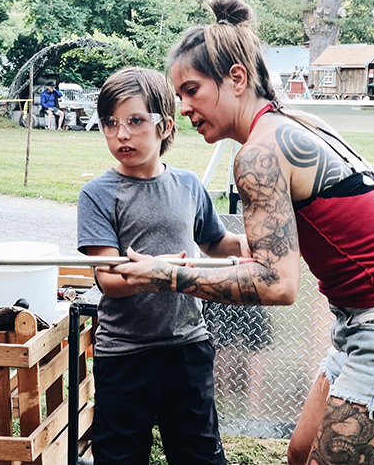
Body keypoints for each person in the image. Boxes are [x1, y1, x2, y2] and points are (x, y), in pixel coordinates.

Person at [108, 0, 374, 465]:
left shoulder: (259, 155)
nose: (183, 108)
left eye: (191, 90)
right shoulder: (290, 123)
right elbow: (284, 248)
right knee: (300, 452)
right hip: (370, 316)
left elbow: (277, 283)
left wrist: (163, 276)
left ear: (236, 78)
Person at [77, 66, 248, 465]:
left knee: (199, 456)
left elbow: (215, 242)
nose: (122, 134)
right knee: (120, 457)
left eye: (136, 121)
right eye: (110, 123)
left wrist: (259, 241)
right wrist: (160, 271)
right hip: (123, 355)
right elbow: (109, 279)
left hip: (186, 347)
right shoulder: (97, 195)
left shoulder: (189, 185)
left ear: (165, 126)